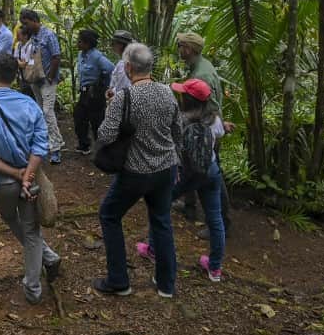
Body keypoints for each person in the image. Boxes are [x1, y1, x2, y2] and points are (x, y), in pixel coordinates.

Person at [0, 53, 61, 304]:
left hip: (2, 183)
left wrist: (14, 174)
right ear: (15, 76)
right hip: (29, 183)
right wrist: (27, 175)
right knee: (31, 231)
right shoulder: (30, 105)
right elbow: (41, 145)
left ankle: (48, 260)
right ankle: (34, 286)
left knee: (10, 217)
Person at [93, 43, 183, 298]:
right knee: (162, 221)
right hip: (166, 168)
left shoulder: (124, 97)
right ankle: (166, 285)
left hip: (136, 171)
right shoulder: (167, 93)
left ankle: (119, 280)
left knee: (109, 215)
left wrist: (111, 108)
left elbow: (105, 134)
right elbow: (178, 131)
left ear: (129, 68)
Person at [137, 79, 226, 282]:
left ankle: (154, 250)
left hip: (186, 174)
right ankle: (215, 268)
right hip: (209, 170)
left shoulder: (179, 119)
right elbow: (217, 137)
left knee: (159, 208)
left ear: (187, 99)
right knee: (215, 218)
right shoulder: (214, 120)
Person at [175, 32, 230, 230]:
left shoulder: (201, 74)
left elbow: (210, 104)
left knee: (210, 173)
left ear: (188, 49)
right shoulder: (200, 65)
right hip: (204, 127)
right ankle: (189, 206)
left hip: (205, 130)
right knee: (191, 165)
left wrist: (209, 129)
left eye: (180, 45)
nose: (179, 49)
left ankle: (221, 221)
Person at [18, 9, 64, 164]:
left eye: (26, 23)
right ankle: (46, 143)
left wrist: (51, 76)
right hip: (36, 80)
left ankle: (56, 148)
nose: (25, 26)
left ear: (34, 20)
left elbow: (56, 56)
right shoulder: (32, 37)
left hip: (48, 80)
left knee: (47, 111)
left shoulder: (48, 35)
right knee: (40, 111)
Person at [74, 29, 114, 154]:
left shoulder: (97, 56)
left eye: (80, 41)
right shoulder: (81, 55)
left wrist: (105, 86)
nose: (78, 43)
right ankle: (84, 145)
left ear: (87, 43)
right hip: (84, 92)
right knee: (79, 117)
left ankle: (102, 149)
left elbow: (111, 69)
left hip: (95, 94)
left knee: (96, 121)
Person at [106, 30, 134, 100]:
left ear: (120, 45)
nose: (111, 46)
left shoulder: (125, 64)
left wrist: (115, 98)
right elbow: (118, 85)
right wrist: (112, 90)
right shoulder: (121, 62)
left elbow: (125, 88)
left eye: (113, 43)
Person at [13, 23, 36, 100]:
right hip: (21, 78)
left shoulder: (31, 46)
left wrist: (19, 62)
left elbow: (23, 65)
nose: (17, 36)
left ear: (25, 36)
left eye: (19, 34)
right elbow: (15, 60)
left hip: (31, 79)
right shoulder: (18, 45)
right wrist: (20, 62)